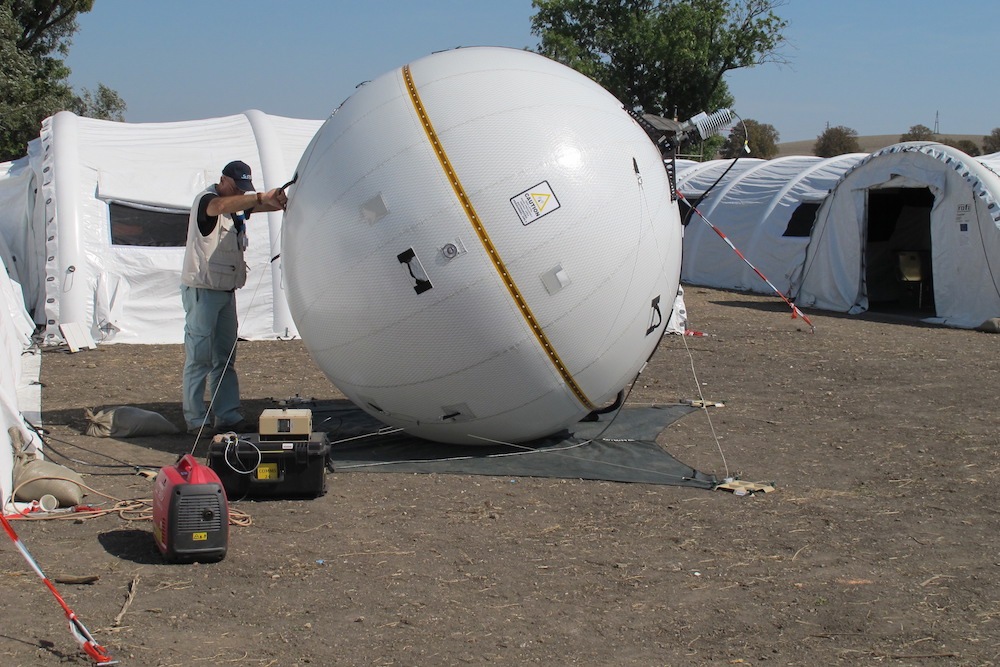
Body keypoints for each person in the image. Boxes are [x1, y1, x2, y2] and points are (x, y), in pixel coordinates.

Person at [181, 160, 287, 435]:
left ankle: (227, 416)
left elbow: (260, 206)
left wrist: (278, 199)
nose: (239, 193)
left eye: (244, 189)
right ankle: (195, 420)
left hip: (226, 292)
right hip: (203, 291)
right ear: (223, 180)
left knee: (225, 358)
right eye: (236, 187)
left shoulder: (235, 208)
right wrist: (261, 197)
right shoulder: (208, 200)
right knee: (199, 359)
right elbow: (219, 207)